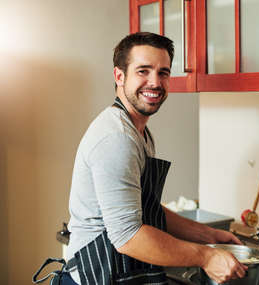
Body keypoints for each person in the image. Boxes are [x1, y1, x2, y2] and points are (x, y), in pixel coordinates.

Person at [34, 32, 247, 285]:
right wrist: (206, 256)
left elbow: (146, 208)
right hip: (96, 276)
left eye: (163, 73)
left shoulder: (139, 132)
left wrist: (207, 234)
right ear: (119, 76)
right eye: (143, 71)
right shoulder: (117, 138)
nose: (155, 82)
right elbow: (128, 237)